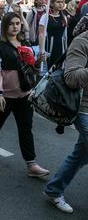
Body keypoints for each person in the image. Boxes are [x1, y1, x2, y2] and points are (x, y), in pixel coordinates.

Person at [0, 12, 49, 178]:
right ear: (5, 25)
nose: (15, 26)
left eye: (18, 23)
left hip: (25, 94)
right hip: (4, 95)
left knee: (26, 127)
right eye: (11, 23)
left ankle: (31, 163)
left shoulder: (25, 43)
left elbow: (31, 69)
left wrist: (38, 62)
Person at [43, 28, 88, 214]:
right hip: (84, 109)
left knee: (82, 154)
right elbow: (71, 78)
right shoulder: (82, 42)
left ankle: (53, 190)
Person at [38, 0, 67, 69]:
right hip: (49, 45)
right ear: (51, 4)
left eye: (62, 2)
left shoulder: (64, 17)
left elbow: (65, 35)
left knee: (59, 67)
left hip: (60, 46)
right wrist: (42, 50)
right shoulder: (45, 17)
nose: (60, 4)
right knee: (48, 67)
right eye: (58, 2)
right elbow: (41, 34)